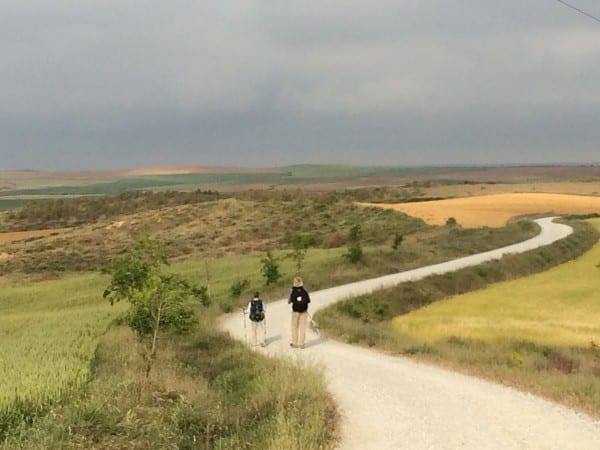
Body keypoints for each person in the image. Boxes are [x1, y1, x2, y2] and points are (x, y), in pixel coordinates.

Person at [288, 276, 311, 349]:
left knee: (294, 327)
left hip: (295, 311)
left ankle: (295, 343)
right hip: (304, 311)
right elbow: (308, 300)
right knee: (302, 327)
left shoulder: (292, 290)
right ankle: (301, 344)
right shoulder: (305, 290)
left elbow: (289, 301)